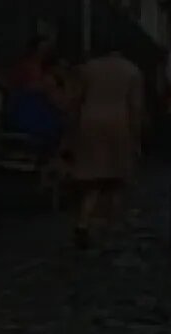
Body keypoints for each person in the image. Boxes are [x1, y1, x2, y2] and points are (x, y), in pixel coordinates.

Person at [69, 41, 145, 248]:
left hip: (90, 122)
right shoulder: (132, 71)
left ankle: (83, 223)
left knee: (92, 179)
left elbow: (76, 100)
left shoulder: (88, 69)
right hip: (118, 125)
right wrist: (136, 138)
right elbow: (135, 107)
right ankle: (110, 228)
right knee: (115, 181)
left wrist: (73, 128)